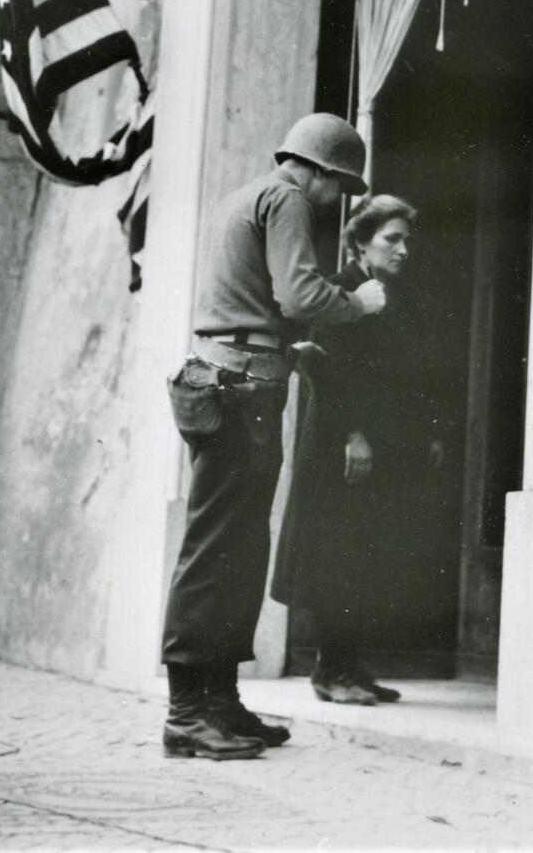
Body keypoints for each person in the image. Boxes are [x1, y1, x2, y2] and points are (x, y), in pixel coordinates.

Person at [161, 113, 387, 759]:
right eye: (340, 186)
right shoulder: (286, 199)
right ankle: (186, 713)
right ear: (317, 170)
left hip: (233, 381)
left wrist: (292, 340)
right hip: (243, 392)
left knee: (234, 550)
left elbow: (260, 300)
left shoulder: (249, 195)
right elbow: (297, 292)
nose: (336, 201)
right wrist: (357, 305)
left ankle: (221, 704)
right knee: (217, 552)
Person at [272, 194, 445, 705]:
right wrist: (352, 435)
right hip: (342, 445)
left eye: (406, 239)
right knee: (339, 554)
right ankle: (330, 670)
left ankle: (352, 665)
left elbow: (413, 374)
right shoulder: (343, 291)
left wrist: (430, 433)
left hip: (386, 443)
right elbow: (326, 366)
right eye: (392, 239)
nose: (403, 249)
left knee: (371, 553)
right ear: (360, 242)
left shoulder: (397, 294)